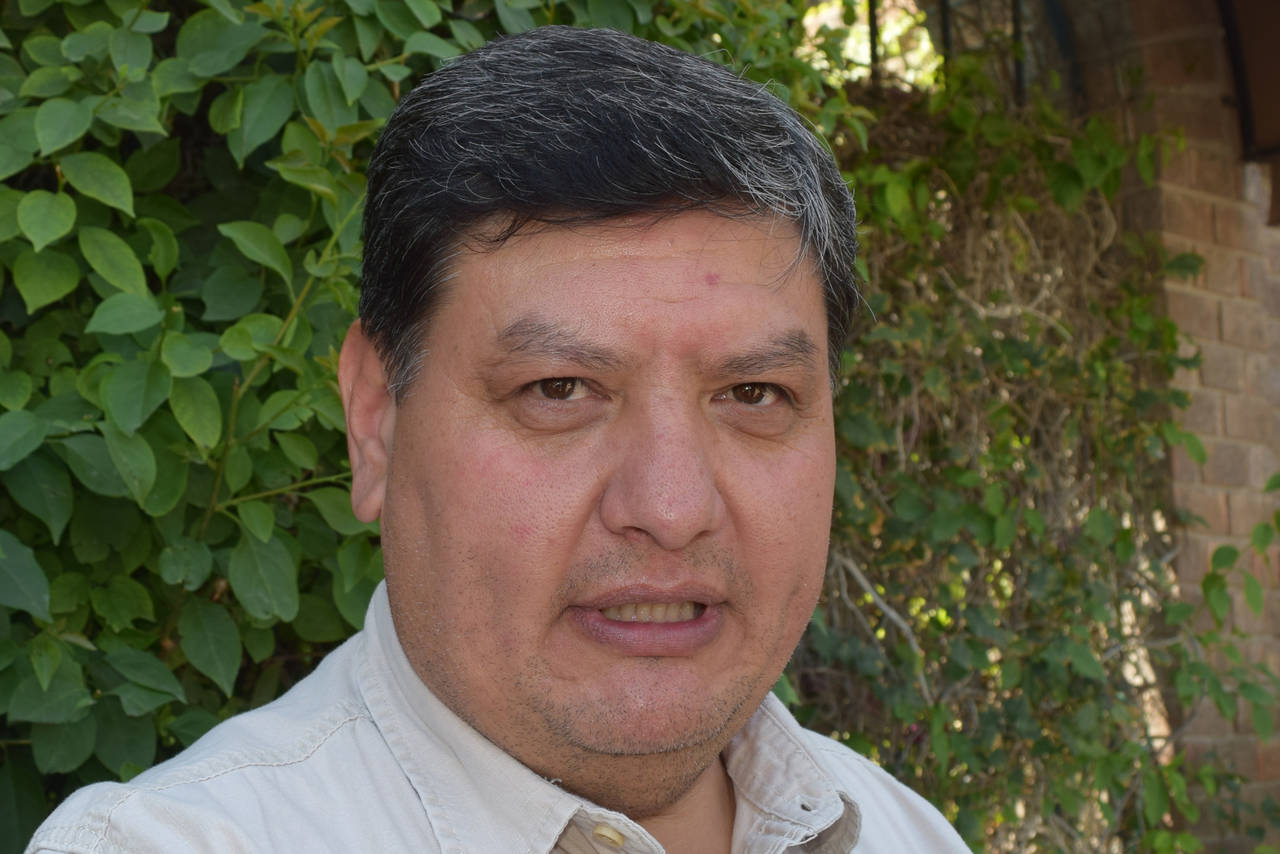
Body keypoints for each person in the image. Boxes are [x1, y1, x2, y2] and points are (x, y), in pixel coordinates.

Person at [27, 26, 968, 854]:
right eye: (558, 390)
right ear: (375, 420)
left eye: (753, 393)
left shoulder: (910, 835)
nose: (671, 508)